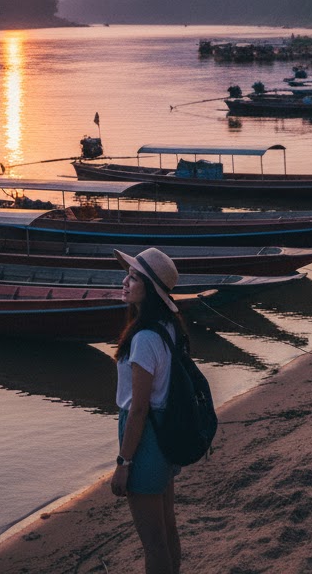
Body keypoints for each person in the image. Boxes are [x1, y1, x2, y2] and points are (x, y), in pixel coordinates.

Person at [111, 246, 185, 574]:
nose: (125, 282)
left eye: (134, 278)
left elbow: (138, 409)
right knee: (167, 531)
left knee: (153, 542)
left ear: (150, 290)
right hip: (165, 432)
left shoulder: (143, 339)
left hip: (145, 440)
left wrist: (124, 464)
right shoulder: (168, 327)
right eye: (127, 275)